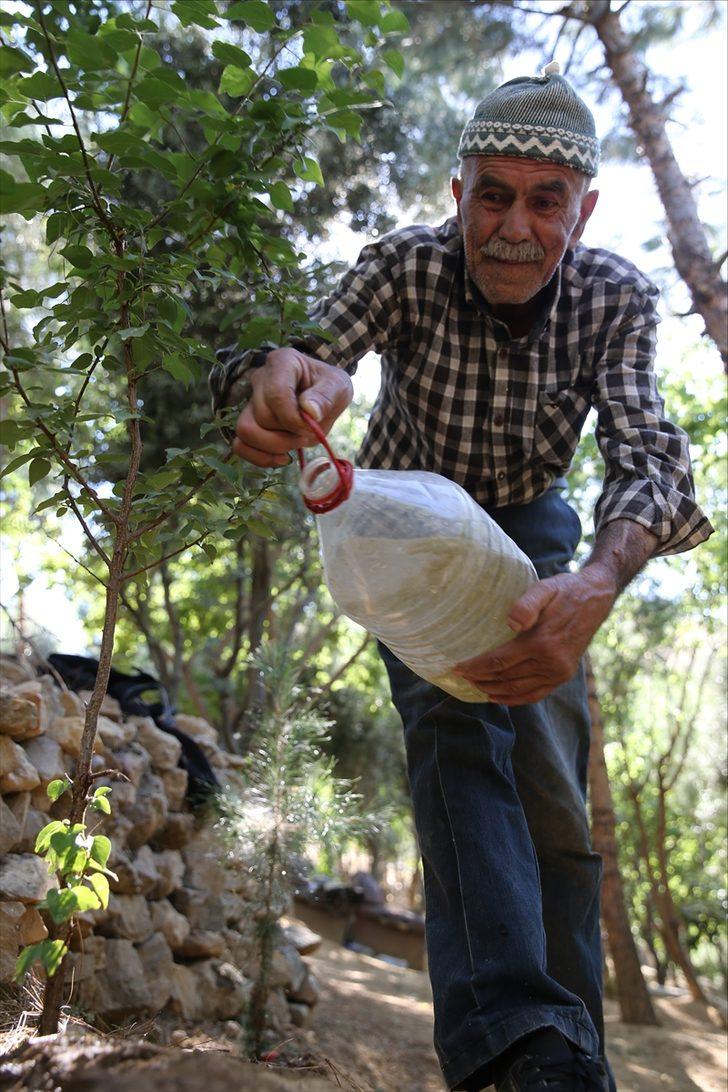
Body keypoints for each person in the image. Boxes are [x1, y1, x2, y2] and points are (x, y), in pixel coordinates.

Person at [210, 66, 713, 1092]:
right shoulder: (404, 269)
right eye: (493, 194)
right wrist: (282, 381)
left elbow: (651, 458)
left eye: (545, 201)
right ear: (456, 195)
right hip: (409, 534)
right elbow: (297, 353)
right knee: (454, 732)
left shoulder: (614, 297)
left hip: (533, 534)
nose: (515, 228)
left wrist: (598, 584)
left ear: (583, 211)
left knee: (554, 806)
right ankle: (512, 1052)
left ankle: (578, 1055)